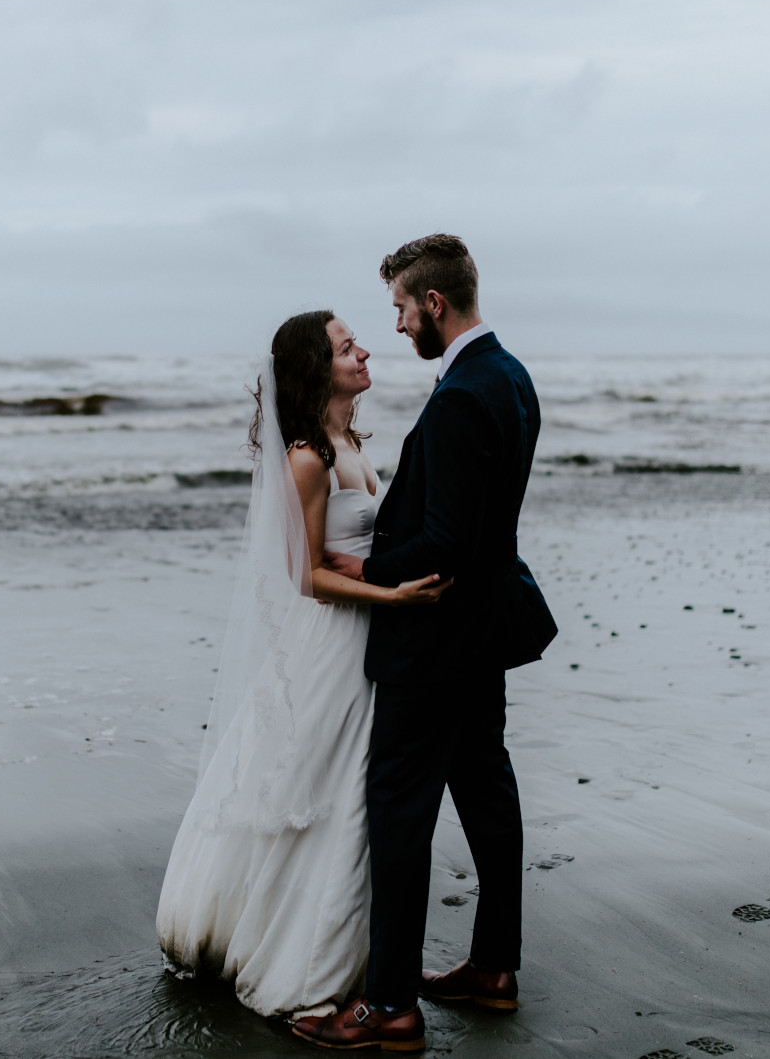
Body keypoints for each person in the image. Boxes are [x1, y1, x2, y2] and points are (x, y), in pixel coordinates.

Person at [294, 234, 557, 1051]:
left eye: (403, 310)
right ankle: (493, 966)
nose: (401, 326)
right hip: (485, 631)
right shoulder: (511, 377)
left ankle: (390, 1006)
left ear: (434, 304)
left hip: (435, 641)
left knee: (399, 813)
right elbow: (484, 525)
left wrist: (363, 562)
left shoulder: (459, 397)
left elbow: (442, 538)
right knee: (487, 792)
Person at [155, 310, 450, 1018]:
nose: (364, 351)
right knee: (327, 792)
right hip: (334, 642)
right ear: (319, 369)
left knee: (351, 794)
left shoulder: (349, 440)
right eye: (348, 347)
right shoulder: (308, 456)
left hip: (365, 639)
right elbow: (305, 574)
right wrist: (392, 590)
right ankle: (301, 962)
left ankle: (360, 949)